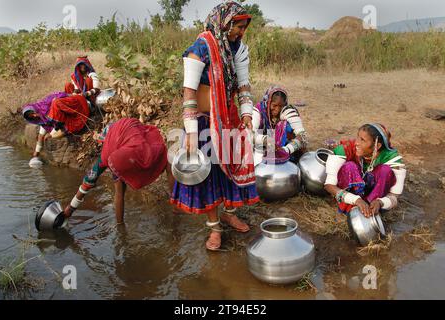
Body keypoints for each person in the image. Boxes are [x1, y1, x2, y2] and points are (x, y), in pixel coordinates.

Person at [170, 1, 259, 251]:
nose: (240, 32)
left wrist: (246, 113)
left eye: (243, 27)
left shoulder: (238, 49)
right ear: (224, 23)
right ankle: (215, 228)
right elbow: (188, 92)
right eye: (237, 26)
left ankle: (229, 213)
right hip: (202, 120)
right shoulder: (201, 47)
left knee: (228, 168)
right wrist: (190, 131)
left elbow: (242, 85)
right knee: (207, 174)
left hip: (227, 118)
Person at [63, 118, 174, 224]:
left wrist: (70, 208)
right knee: (166, 161)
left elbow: (88, 181)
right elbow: (145, 132)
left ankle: (120, 225)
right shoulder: (127, 127)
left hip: (126, 155)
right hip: (142, 145)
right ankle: (176, 203)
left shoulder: (106, 154)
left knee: (119, 190)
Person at [324, 123, 407, 217]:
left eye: (362, 140)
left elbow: (394, 196)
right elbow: (329, 185)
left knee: (385, 171)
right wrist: (356, 200)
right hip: (351, 198)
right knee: (349, 166)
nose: (356, 143)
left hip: (375, 197)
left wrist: (380, 202)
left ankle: (370, 209)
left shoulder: (392, 159)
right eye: (358, 137)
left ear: (377, 145)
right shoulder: (347, 148)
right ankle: (351, 208)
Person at [252, 86, 308, 165]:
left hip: (285, 151)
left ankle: (291, 162)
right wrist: (265, 140)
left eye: (281, 106)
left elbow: (303, 137)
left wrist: (286, 150)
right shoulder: (258, 111)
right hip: (260, 150)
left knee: (285, 125)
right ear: (268, 102)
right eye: (274, 105)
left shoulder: (287, 111)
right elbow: (249, 134)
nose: (277, 110)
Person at [22, 92, 68, 158]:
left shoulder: (44, 107)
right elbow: (43, 123)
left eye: (34, 113)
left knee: (50, 136)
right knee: (40, 136)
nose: (34, 116)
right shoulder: (36, 119)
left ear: (34, 110)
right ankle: (36, 153)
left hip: (56, 120)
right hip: (46, 122)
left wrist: (51, 134)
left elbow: (57, 122)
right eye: (32, 116)